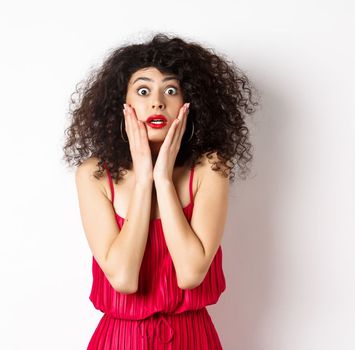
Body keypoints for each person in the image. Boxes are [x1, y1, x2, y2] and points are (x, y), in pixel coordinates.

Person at [62, 33, 258, 349]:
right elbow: (124, 279)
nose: (157, 102)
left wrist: (163, 179)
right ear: (122, 105)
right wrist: (143, 180)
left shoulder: (210, 168)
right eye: (143, 90)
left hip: (192, 339)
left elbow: (191, 274)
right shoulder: (94, 176)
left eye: (170, 90)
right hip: (120, 340)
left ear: (188, 102)